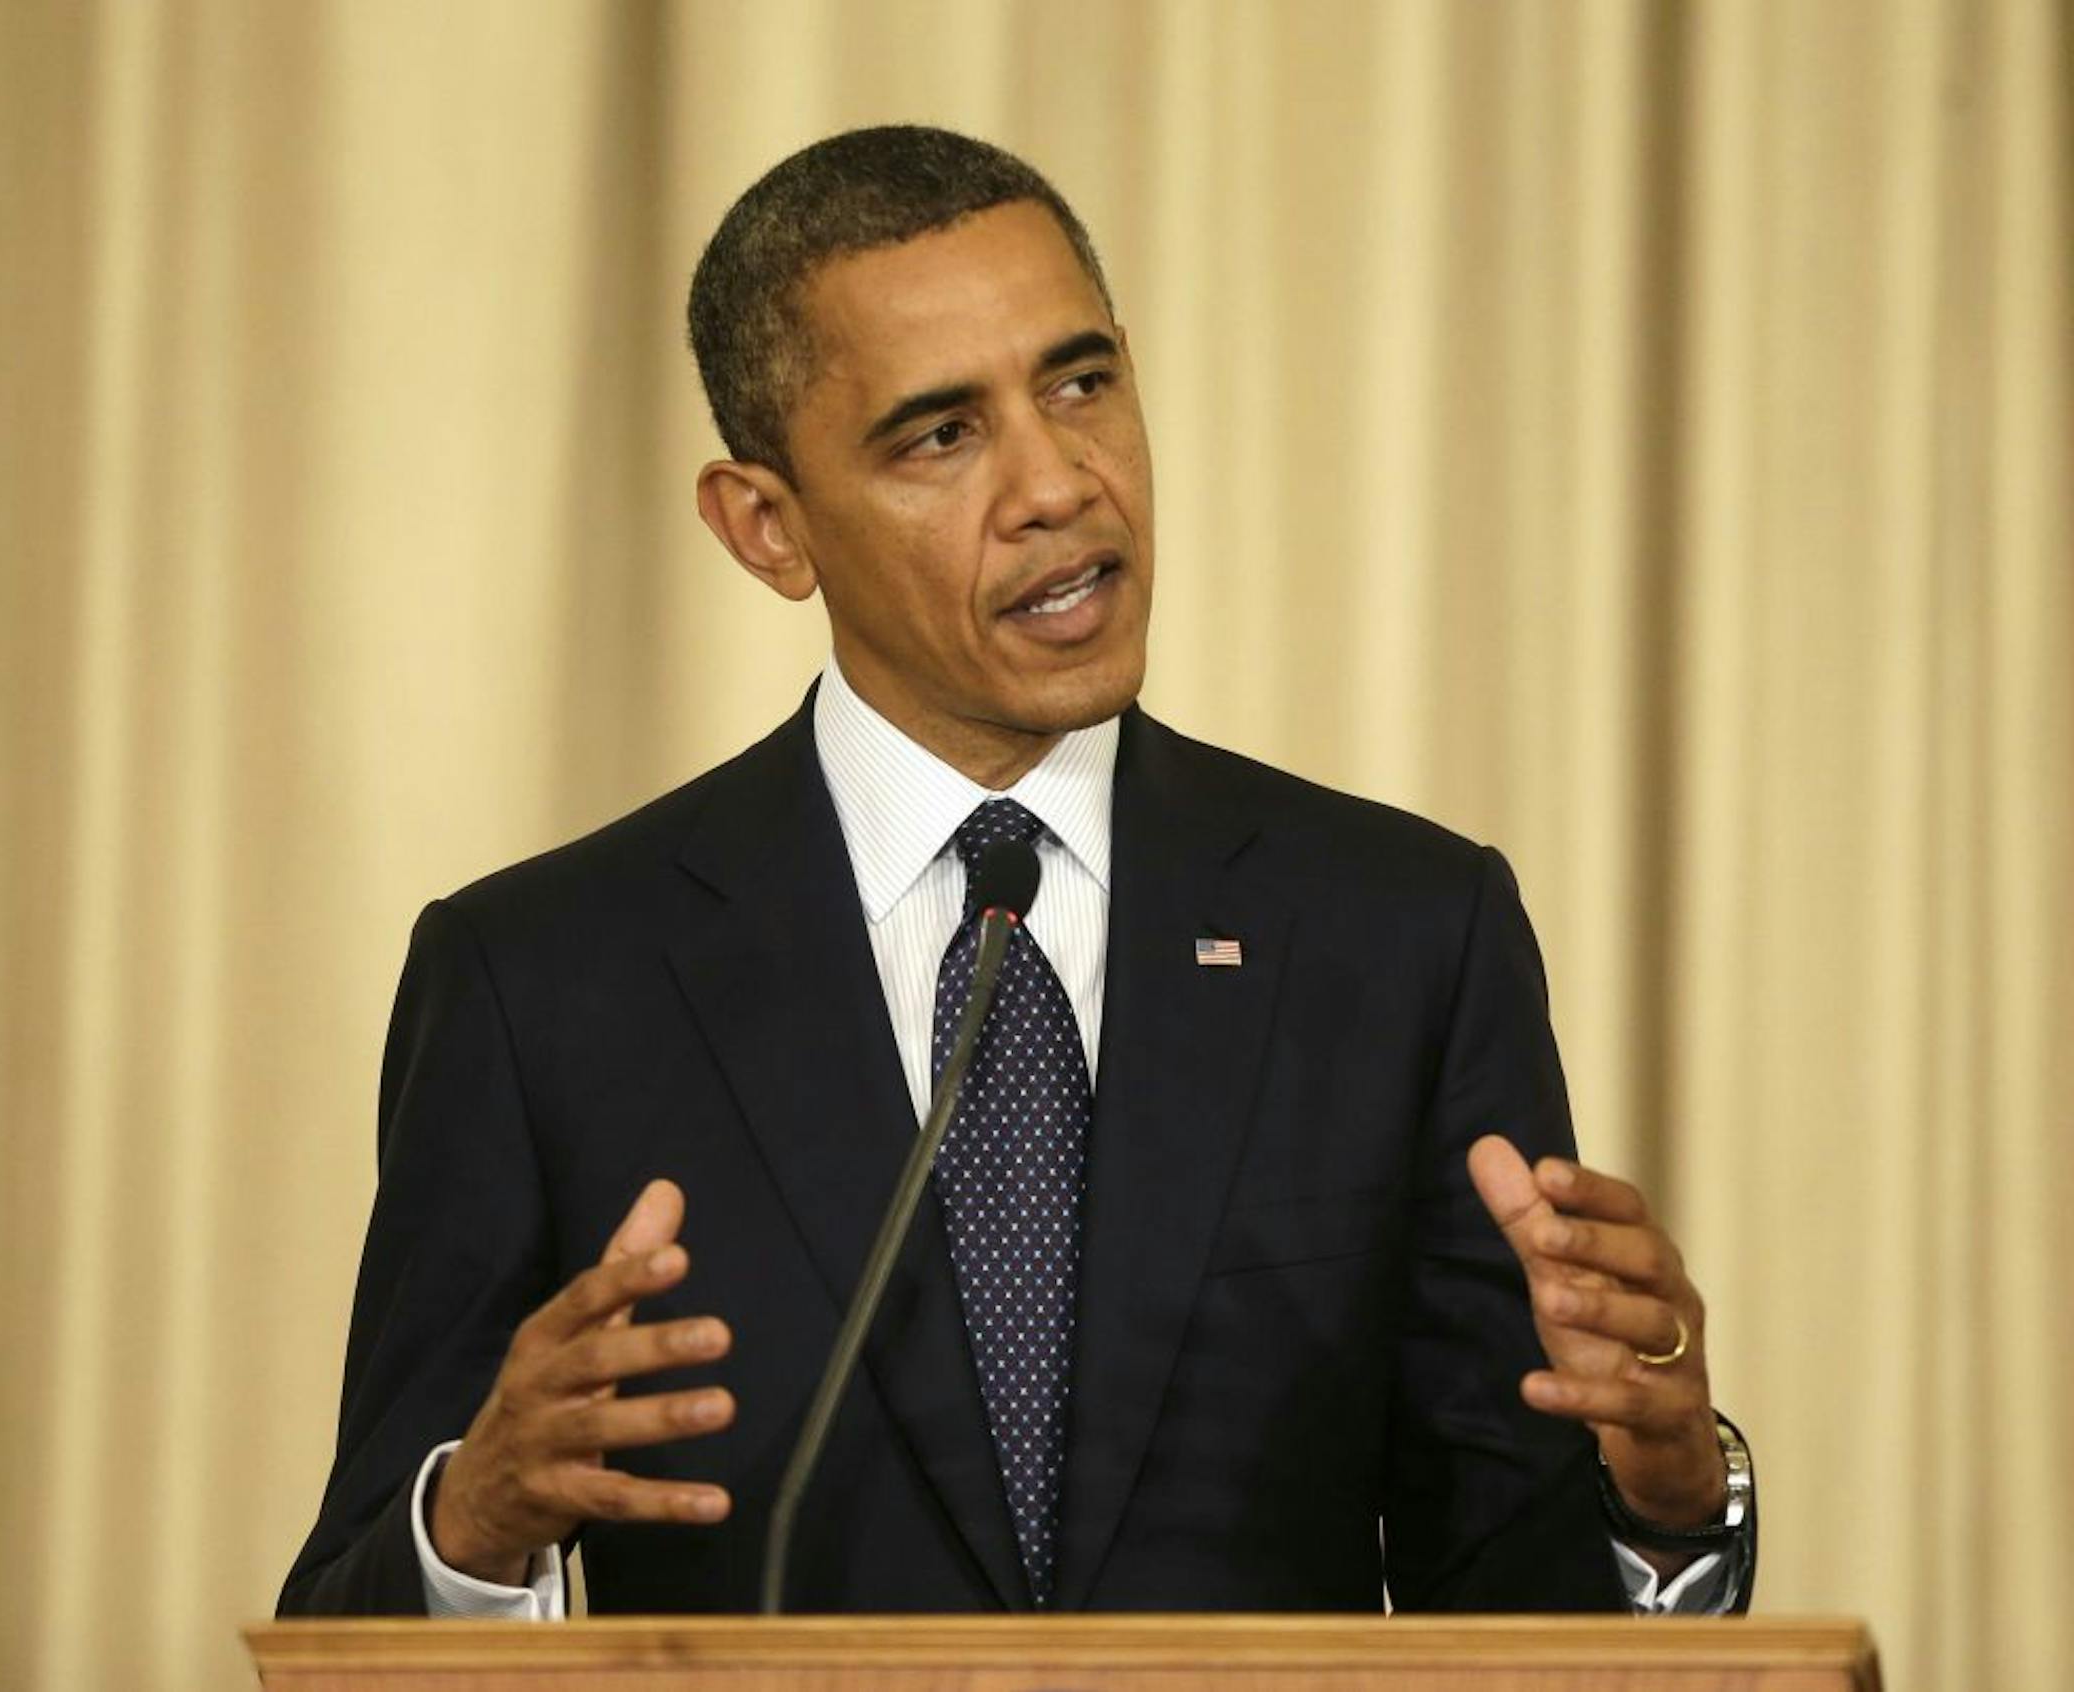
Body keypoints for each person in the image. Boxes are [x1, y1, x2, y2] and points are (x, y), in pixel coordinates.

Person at [281, 126, 1754, 1621]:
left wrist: (1666, 1508)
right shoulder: (546, 984)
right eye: (941, 434)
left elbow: (1504, 1607)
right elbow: (347, 1622)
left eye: (1081, 383)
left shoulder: (1400, 937)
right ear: (768, 527)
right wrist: (468, 1531)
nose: (1058, 483)